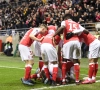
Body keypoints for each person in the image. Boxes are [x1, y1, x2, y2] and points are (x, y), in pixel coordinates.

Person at [53, 14, 85, 85]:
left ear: (66, 18)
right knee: (76, 61)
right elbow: (85, 31)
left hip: (68, 42)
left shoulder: (65, 22)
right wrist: (75, 32)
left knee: (64, 60)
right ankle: (77, 80)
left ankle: (63, 80)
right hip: (77, 42)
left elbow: (62, 27)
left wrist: (54, 35)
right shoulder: (76, 23)